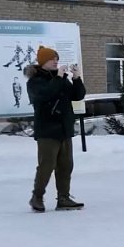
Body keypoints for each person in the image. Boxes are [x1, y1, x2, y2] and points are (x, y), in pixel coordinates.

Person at [25, 46, 87, 213]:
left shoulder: (60, 79)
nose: (56, 61)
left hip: (64, 129)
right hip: (47, 130)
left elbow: (78, 95)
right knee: (47, 165)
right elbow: (46, 94)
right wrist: (59, 78)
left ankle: (63, 198)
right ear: (43, 61)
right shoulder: (35, 81)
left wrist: (76, 78)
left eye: (57, 59)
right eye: (52, 59)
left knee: (66, 165)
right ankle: (37, 197)